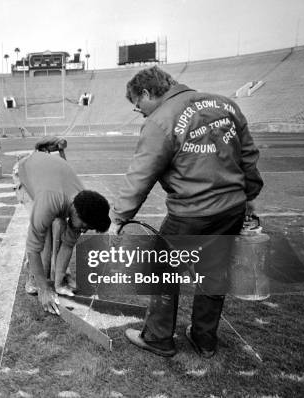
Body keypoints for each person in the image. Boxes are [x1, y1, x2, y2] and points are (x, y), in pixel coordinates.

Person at [110, 66, 263, 358]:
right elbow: (248, 155)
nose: (138, 110)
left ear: (147, 92)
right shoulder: (226, 104)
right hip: (231, 208)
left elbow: (141, 173)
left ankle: (158, 337)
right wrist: (250, 196)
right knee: (214, 274)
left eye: (137, 103)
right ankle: (205, 339)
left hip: (191, 212)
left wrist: (120, 217)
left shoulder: (161, 120)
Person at [14, 151, 111, 313]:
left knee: (59, 231)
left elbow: (67, 245)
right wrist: (44, 289)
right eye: (85, 226)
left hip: (50, 177)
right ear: (75, 211)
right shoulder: (49, 202)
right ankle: (34, 281)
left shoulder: (84, 206)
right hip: (25, 172)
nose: (84, 230)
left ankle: (57, 281)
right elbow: (33, 249)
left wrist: (59, 284)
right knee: (43, 238)